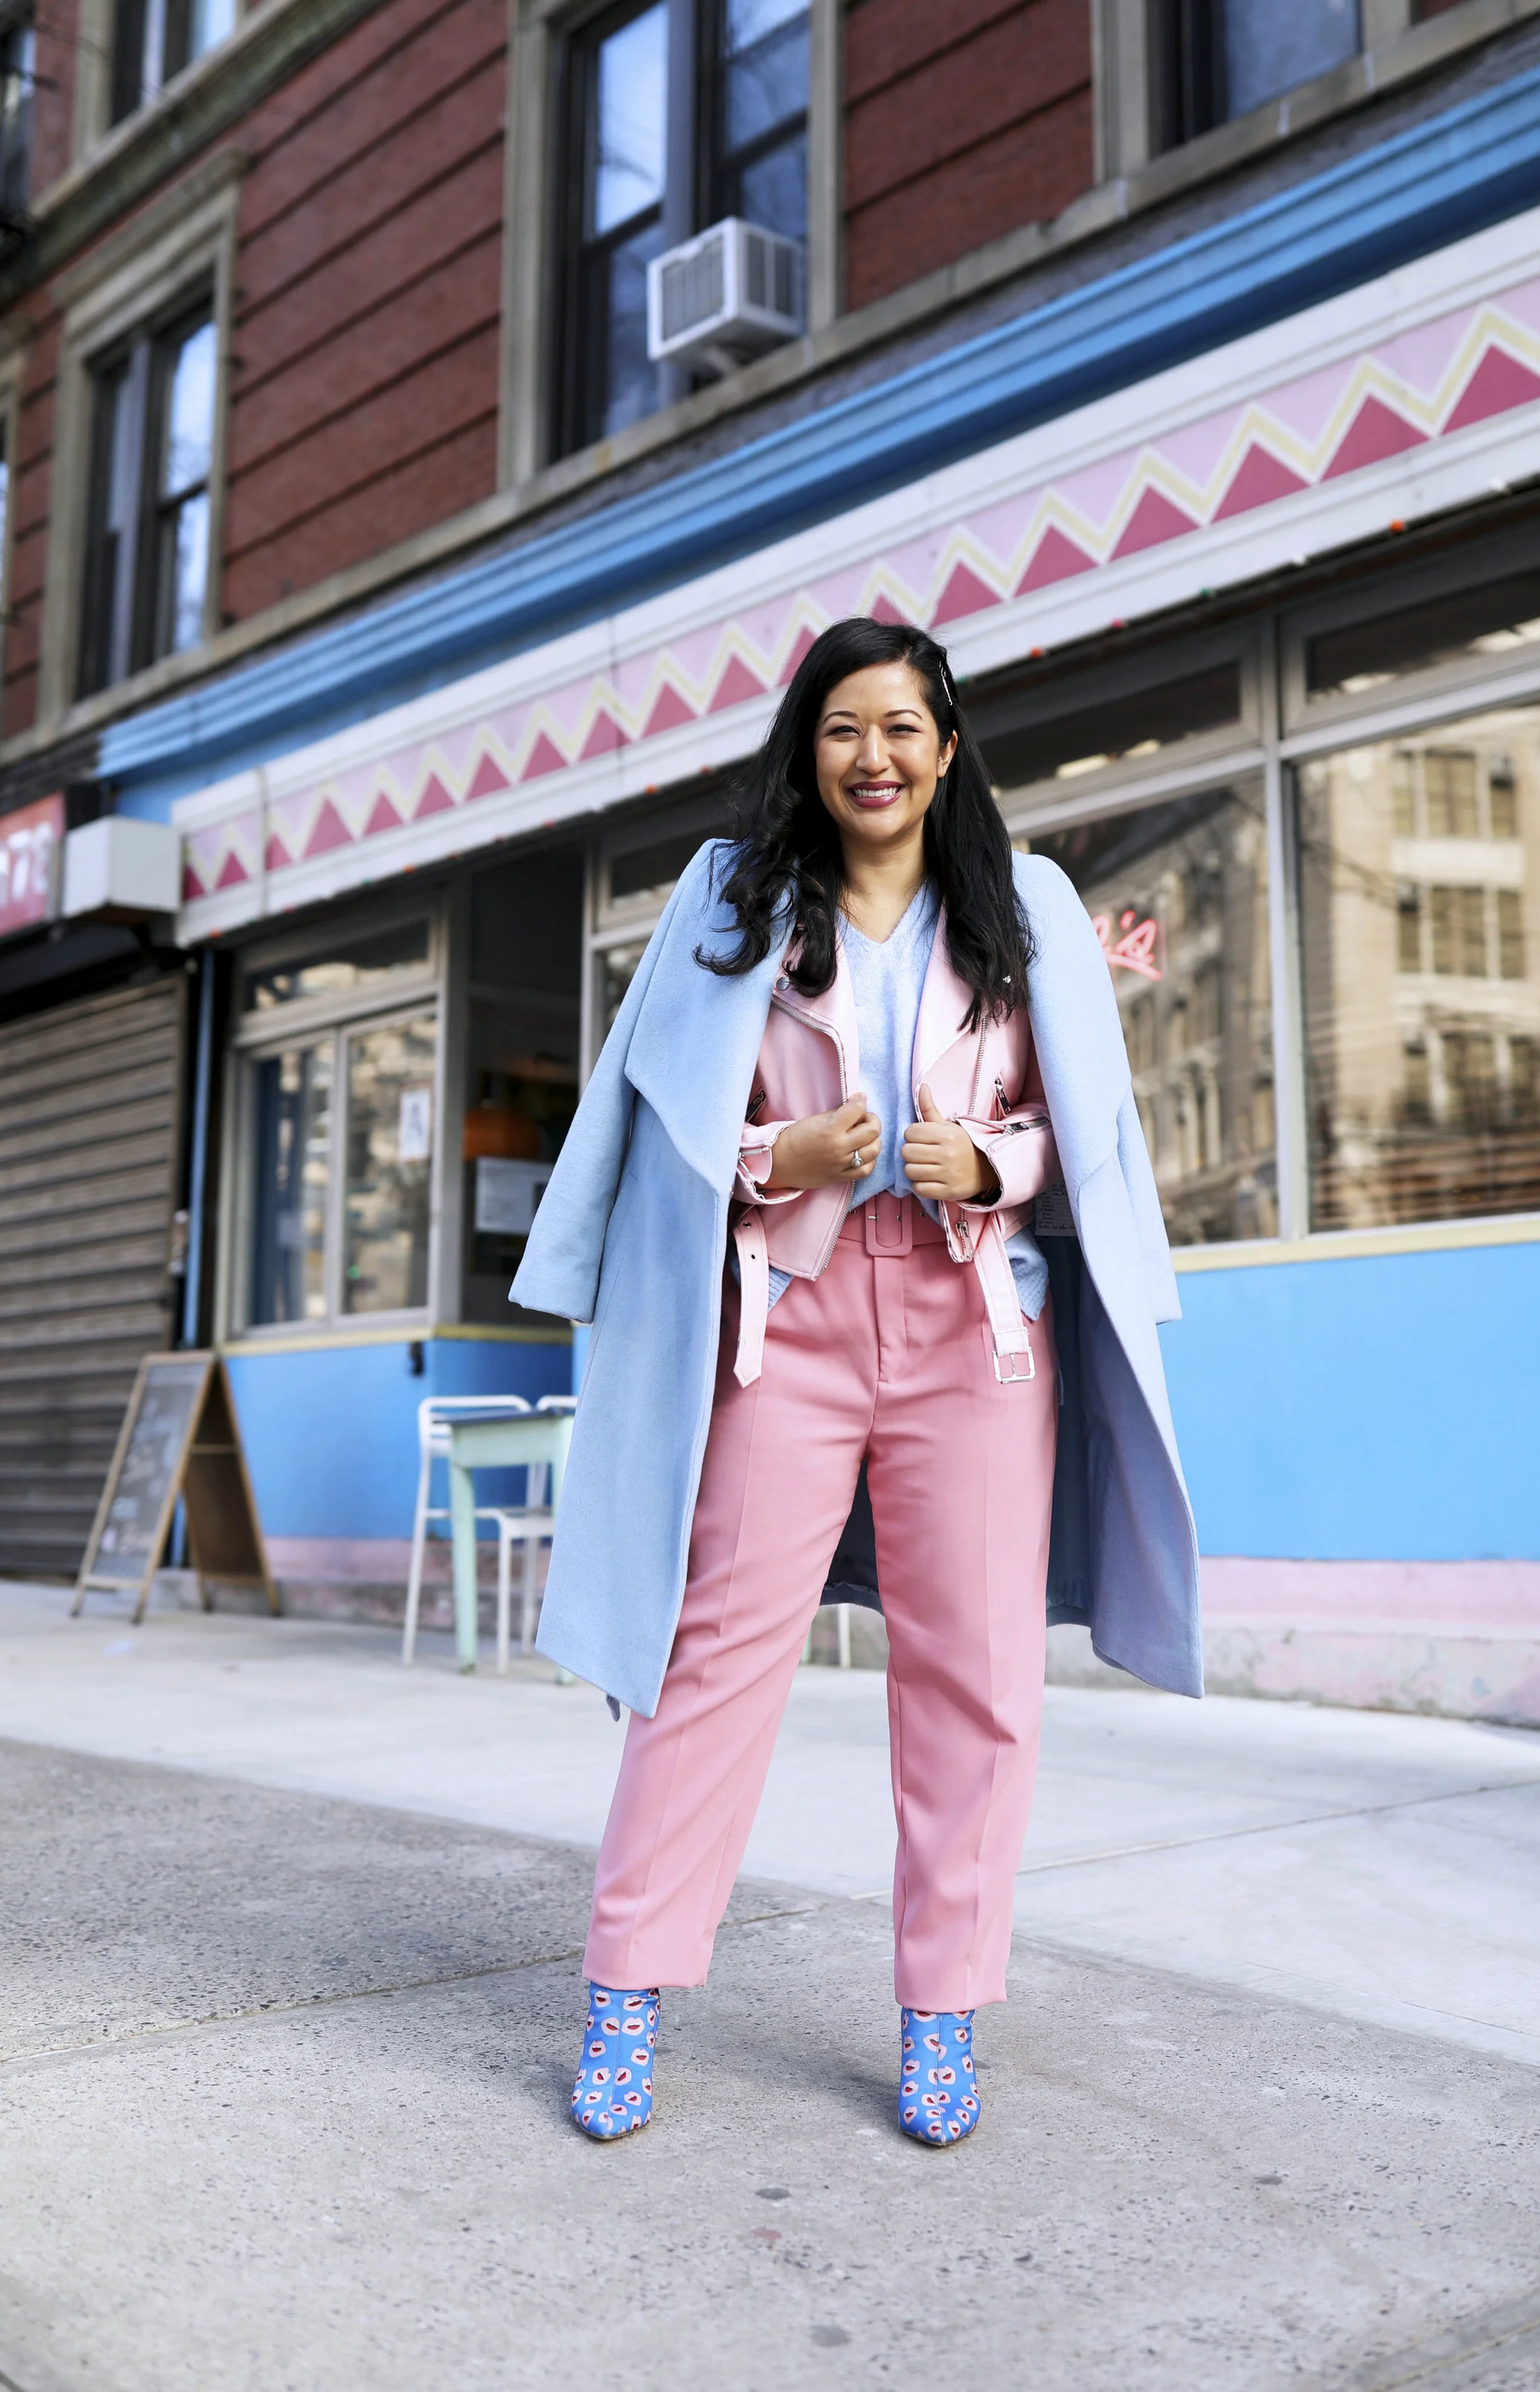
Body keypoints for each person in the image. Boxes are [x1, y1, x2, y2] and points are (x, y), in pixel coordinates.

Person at [512, 617, 1200, 2146]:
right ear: (806, 751)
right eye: (840, 728)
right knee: (711, 1662)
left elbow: (1078, 1131)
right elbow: (665, 1111)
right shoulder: (731, 900)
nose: (870, 756)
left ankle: (941, 2020)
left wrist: (991, 1158)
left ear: (944, 748)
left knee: (975, 1682)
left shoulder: (1024, 908)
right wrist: (777, 1156)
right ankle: (625, 1992)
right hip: (791, 1319)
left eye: (899, 727)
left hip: (974, 1334)